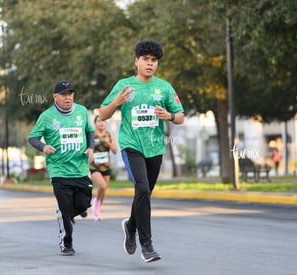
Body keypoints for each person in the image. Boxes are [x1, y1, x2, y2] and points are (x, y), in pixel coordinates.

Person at [99, 40, 184, 263]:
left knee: (144, 193)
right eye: (145, 59)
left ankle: (130, 225)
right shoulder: (124, 85)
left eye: (153, 60)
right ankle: (147, 246)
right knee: (142, 188)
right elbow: (103, 114)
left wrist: (170, 116)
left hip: (155, 147)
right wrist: (116, 102)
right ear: (136, 61)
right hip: (131, 145)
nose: (149, 64)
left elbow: (181, 116)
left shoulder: (164, 87)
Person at [28, 80, 95, 256]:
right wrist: (43, 147)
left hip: (80, 168)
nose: (68, 97)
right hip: (59, 170)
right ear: (55, 97)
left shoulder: (81, 111)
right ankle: (67, 244)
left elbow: (90, 131)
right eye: (64, 94)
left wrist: (91, 148)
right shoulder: (47, 116)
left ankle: (67, 212)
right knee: (65, 211)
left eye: (71, 94)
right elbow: (33, 137)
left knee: (83, 203)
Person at [90, 115, 117, 220]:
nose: (101, 123)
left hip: (105, 166)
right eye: (99, 121)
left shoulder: (109, 135)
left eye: (103, 121)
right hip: (94, 166)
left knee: (104, 191)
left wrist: (108, 143)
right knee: (102, 186)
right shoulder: (92, 135)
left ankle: (97, 209)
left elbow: (115, 151)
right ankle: (96, 204)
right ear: (95, 123)